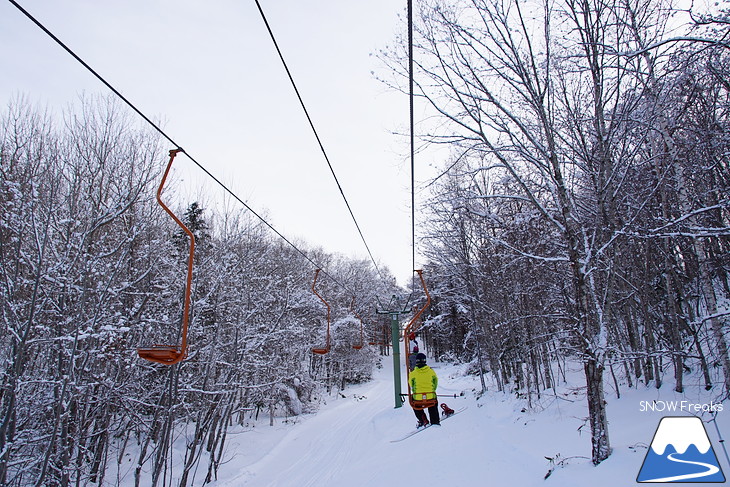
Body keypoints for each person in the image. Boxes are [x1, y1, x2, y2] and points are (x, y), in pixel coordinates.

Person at [408, 353, 440, 427]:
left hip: (418, 397)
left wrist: (416, 391)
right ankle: (435, 421)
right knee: (433, 404)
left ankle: (422, 419)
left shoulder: (413, 373)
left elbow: (411, 384)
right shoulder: (431, 372)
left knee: (414, 404)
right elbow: (435, 382)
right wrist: (432, 390)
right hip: (430, 395)